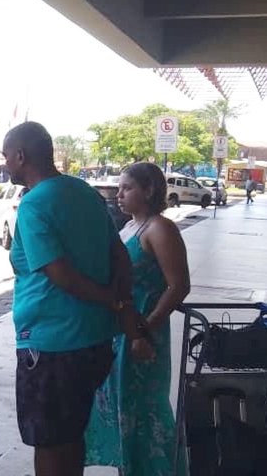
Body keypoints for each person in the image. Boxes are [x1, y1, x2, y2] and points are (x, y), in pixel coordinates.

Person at [3, 122, 152, 476]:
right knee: (71, 434)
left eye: (7, 155)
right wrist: (119, 302)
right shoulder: (83, 192)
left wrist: (112, 301)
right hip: (95, 341)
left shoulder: (34, 204)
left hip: (52, 343)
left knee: (50, 442)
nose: (6, 162)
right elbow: (119, 254)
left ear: (21, 156)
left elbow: (61, 275)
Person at [86, 162, 190, 475]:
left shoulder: (159, 228)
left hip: (143, 334)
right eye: (119, 188)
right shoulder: (129, 226)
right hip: (123, 331)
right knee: (123, 410)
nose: (118, 194)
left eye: (127, 188)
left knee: (146, 412)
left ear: (149, 190)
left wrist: (146, 329)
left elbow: (179, 285)